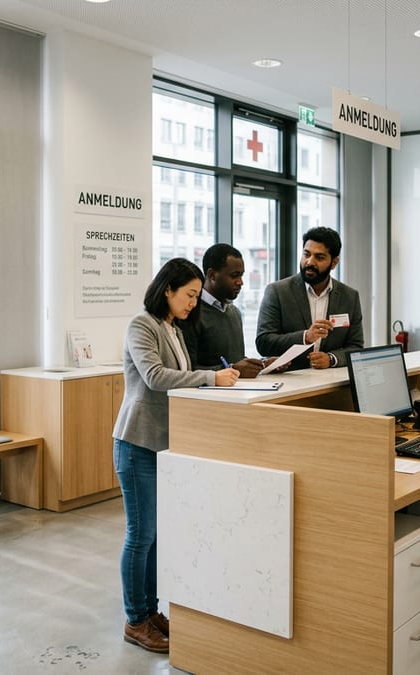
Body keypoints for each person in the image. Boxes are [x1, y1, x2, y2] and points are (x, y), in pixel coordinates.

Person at [112, 257, 239, 654]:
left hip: (164, 444)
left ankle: (152, 612)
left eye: (197, 297)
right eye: (188, 295)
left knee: (156, 536)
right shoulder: (142, 325)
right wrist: (208, 377)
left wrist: (220, 375)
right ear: (167, 289)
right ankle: (136, 620)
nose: (192, 304)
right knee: (140, 535)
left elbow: (183, 374)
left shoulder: (173, 328)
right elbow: (155, 377)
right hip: (137, 443)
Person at [255, 226, 364, 370]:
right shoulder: (277, 292)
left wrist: (331, 359)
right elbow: (264, 342)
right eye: (306, 254)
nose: (310, 262)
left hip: (332, 383)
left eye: (319, 257)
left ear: (334, 263)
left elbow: (356, 347)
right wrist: (305, 337)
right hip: (290, 383)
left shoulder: (350, 297)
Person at [181, 243, 275, 378]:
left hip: (237, 394)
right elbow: (187, 370)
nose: (240, 282)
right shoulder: (191, 312)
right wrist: (231, 369)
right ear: (212, 275)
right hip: (205, 397)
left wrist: (263, 365)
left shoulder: (234, 313)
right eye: (234, 276)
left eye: (241, 275)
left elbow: (236, 361)